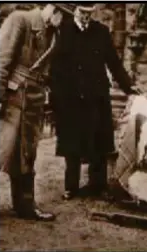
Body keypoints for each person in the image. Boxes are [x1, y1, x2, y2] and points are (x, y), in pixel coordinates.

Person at [49, 3, 138, 200]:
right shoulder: (62, 30)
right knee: (71, 142)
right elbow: (53, 65)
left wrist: (128, 86)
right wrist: (55, 94)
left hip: (96, 95)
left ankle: (98, 185)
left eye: (90, 13)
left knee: (100, 140)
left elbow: (113, 63)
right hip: (70, 97)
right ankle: (71, 186)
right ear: (75, 11)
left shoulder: (101, 31)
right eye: (82, 13)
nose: (86, 17)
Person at [0, 4, 65, 221]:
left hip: (33, 101)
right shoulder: (21, 20)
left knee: (26, 154)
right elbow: (2, 62)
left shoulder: (53, 32)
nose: (64, 21)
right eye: (63, 15)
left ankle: (25, 206)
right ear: (53, 9)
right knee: (2, 149)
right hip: (12, 99)